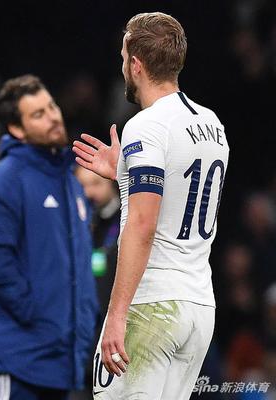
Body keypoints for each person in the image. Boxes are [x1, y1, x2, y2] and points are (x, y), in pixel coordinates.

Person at [73, 12, 230, 399]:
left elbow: (143, 225)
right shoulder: (212, 123)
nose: (122, 67)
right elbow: (181, 192)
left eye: (123, 58)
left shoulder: (146, 126)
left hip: (153, 305)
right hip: (198, 307)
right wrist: (125, 172)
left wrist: (117, 314)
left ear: (136, 64)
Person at [0, 75, 98, 400]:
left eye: (52, 106)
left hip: (63, 361)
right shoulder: (3, 181)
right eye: (38, 114)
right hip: (18, 358)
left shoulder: (70, 182)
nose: (53, 117)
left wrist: (84, 319)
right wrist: (38, 315)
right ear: (17, 129)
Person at [75, 166, 120, 315]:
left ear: (112, 181)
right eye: (82, 185)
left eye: (96, 183)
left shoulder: (127, 217)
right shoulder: (80, 221)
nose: (88, 192)